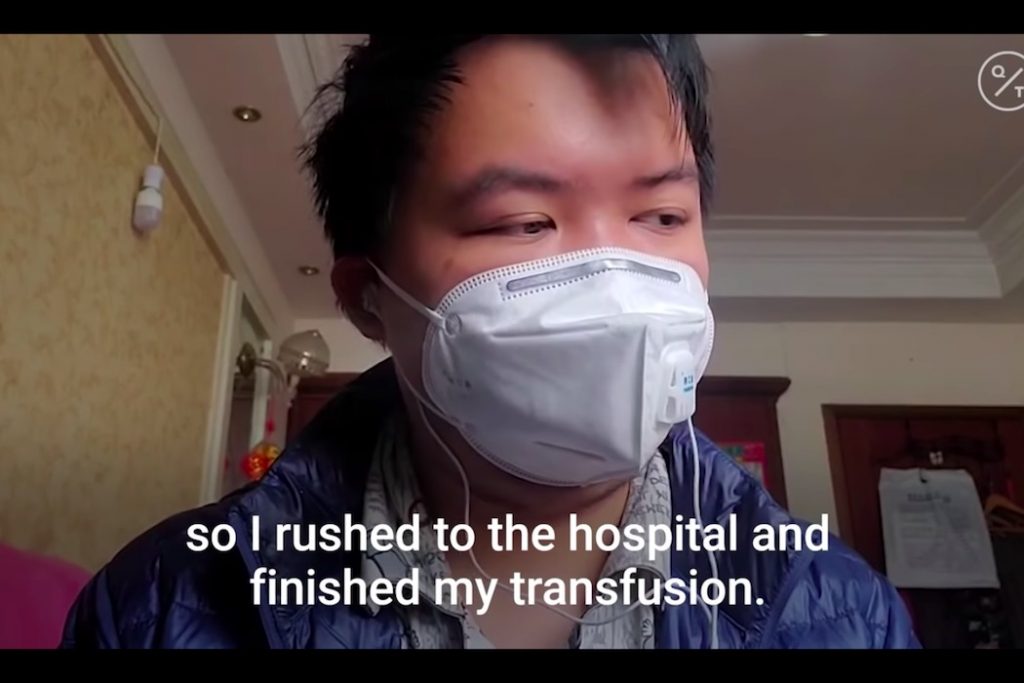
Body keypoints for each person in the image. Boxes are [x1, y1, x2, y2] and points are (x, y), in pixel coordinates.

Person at [61, 34, 919, 649]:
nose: (614, 287)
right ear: (369, 297)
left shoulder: (841, 616)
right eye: (523, 222)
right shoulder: (166, 606)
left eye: (662, 216)